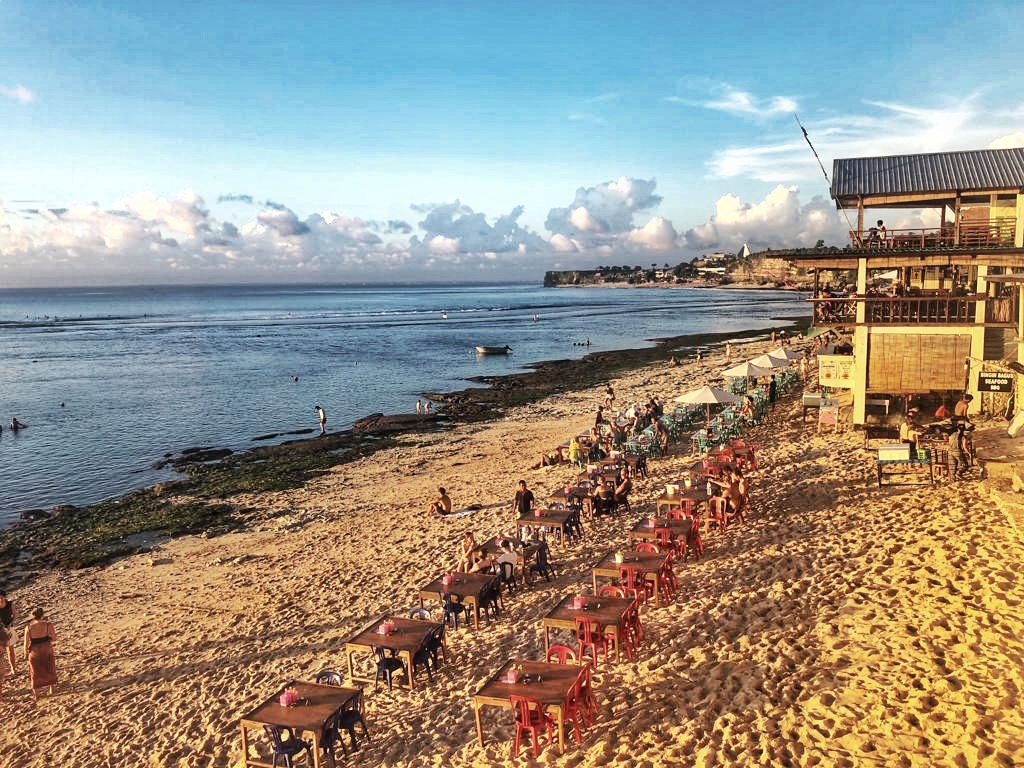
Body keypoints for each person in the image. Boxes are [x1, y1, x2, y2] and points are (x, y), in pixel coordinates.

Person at [23, 607, 57, 698]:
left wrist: (25, 653)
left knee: (34, 672)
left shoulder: (28, 627)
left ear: (32, 616)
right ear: (42, 615)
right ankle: (51, 689)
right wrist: (48, 638)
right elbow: (54, 638)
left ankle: (36, 694)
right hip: (46, 649)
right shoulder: (48, 624)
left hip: (35, 651)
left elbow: (26, 643)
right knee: (50, 668)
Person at [0, 589, 15, 674]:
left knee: (11, 650)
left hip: (9, 628)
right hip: (0, 631)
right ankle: (3, 670)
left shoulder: (10, 604)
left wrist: (10, 623)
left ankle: (13, 669)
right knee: (1, 651)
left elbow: (15, 615)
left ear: (5, 597)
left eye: (2, 597)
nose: (1, 599)